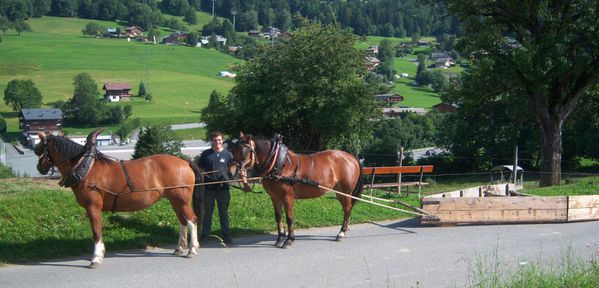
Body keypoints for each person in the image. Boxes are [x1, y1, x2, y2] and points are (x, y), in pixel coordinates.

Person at [197, 131, 234, 244]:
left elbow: (233, 169)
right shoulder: (206, 154)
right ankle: (204, 236)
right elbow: (200, 169)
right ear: (212, 141)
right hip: (209, 189)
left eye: (219, 140)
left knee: (224, 213)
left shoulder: (228, 154)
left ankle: (226, 236)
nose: (217, 142)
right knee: (207, 213)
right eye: (215, 140)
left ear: (222, 141)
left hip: (223, 188)